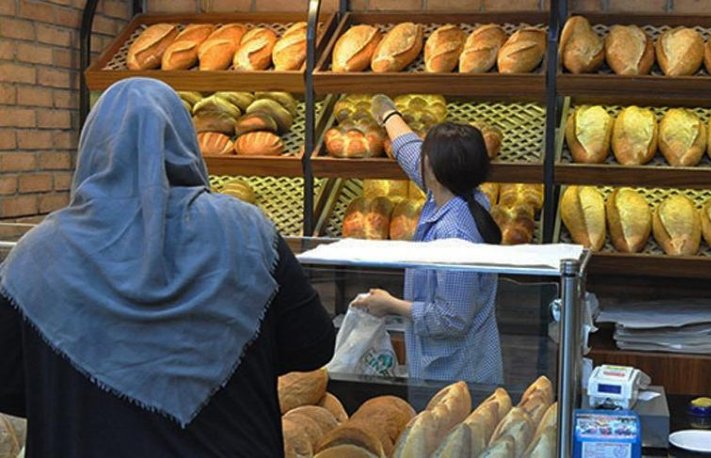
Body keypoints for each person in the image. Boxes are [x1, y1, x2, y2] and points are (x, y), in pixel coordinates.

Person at [0, 78, 335, 457]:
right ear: (185, 143)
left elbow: (9, 384)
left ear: (93, 149)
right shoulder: (246, 230)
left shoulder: (40, 252)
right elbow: (314, 346)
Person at [352, 94, 504, 385]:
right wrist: (387, 113)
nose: (419, 156)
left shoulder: (454, 234)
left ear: (434, 170)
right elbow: (409, 151)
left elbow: (452, 319)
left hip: (456, 376)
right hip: (447, 368)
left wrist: (390, 304)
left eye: (426, 154)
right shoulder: (461, 194)